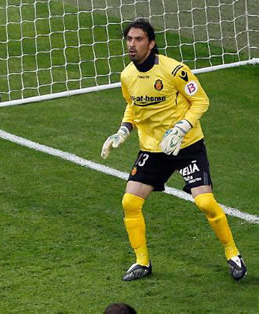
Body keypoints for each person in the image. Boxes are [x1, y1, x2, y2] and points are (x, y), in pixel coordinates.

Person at [100, 19, 246, 281]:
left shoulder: (174, 70)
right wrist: (123, 130)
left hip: (186, 144)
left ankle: (233, 253)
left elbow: (200, 100)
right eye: (129, 39)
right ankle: (142, 262)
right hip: (153, 149)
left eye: (138, 39)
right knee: (130, 201)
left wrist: (181, 128)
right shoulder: (127, 76)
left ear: (151, 43)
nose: (132, 45)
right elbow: (132, 105)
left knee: (204, 202)